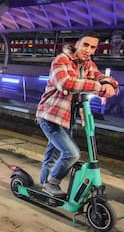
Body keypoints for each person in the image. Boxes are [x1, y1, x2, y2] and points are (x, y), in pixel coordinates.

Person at [36, 31, 118, 196]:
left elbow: (100, 77)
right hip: (50, 116)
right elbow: (65, 83)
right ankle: (52, 183)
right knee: (71, 153)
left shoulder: (88, 64)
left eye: (93, 47)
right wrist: (98, 88)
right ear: (77, 44)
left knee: (53, 155)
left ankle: (44, 187)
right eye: (85, 45)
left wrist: (109, 84)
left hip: (67, 118)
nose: (88, 50)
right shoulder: (61, 60)